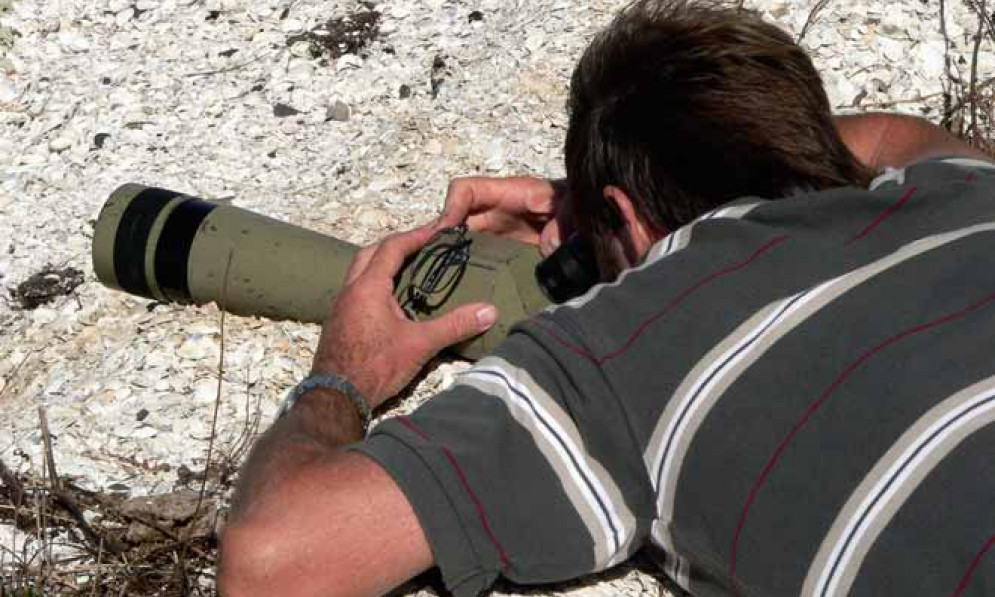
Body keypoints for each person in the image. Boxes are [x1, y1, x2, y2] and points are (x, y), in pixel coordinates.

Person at [217, 0, 995, 595]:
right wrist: (688, 165)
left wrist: (344, 373)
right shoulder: (962, 192)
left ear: (620, 214)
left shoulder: (620, 355)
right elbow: (893, 136)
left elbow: (271, 562)